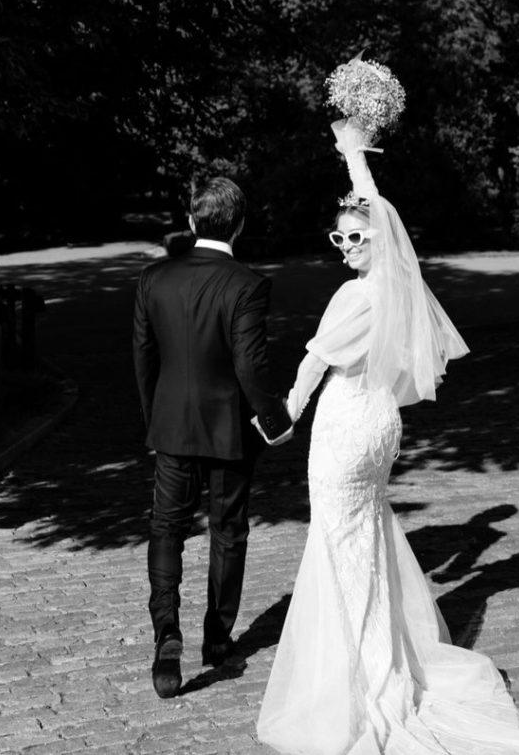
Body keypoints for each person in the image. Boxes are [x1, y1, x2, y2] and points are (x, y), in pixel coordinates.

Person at [255, 121, 519, 754]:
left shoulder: (354, 296)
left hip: (345, 428)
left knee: (339, 548)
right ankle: (375, 656)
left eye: (356, 237)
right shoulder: (397, 287)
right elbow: (374, 206)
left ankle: (358, 679)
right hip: (382, 425)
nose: (345, 246)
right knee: (366, 541)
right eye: (338, 237)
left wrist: (285, 416)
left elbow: (314, 360)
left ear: (378, 238)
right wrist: (354, 156)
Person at [133, 176, 293, 699]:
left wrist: (155, 419)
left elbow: (144, 358)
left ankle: (166, 632)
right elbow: (250, 366)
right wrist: (276, 420)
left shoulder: (154, 278)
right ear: (240, 225)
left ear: (191, 220)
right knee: (228, 531)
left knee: (166, 528)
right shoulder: (247, 284)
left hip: (172, 427)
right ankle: (218, 638)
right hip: (229, 429)